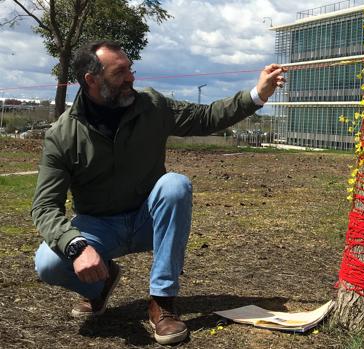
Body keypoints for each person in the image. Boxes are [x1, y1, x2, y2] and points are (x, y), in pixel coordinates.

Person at [31, 40, 286, 345]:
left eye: (130, 69)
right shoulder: (62, 134)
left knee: (175, 185)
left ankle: (162, 302)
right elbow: (45, 206)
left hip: (147, 219)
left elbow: (205, 117)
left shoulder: (151, 105)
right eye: (120, 72)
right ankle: (101, 284)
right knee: (48, 262)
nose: (131, 77)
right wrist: (75, 246)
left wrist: (257, 94)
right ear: (91, 80)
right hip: (98, 228)